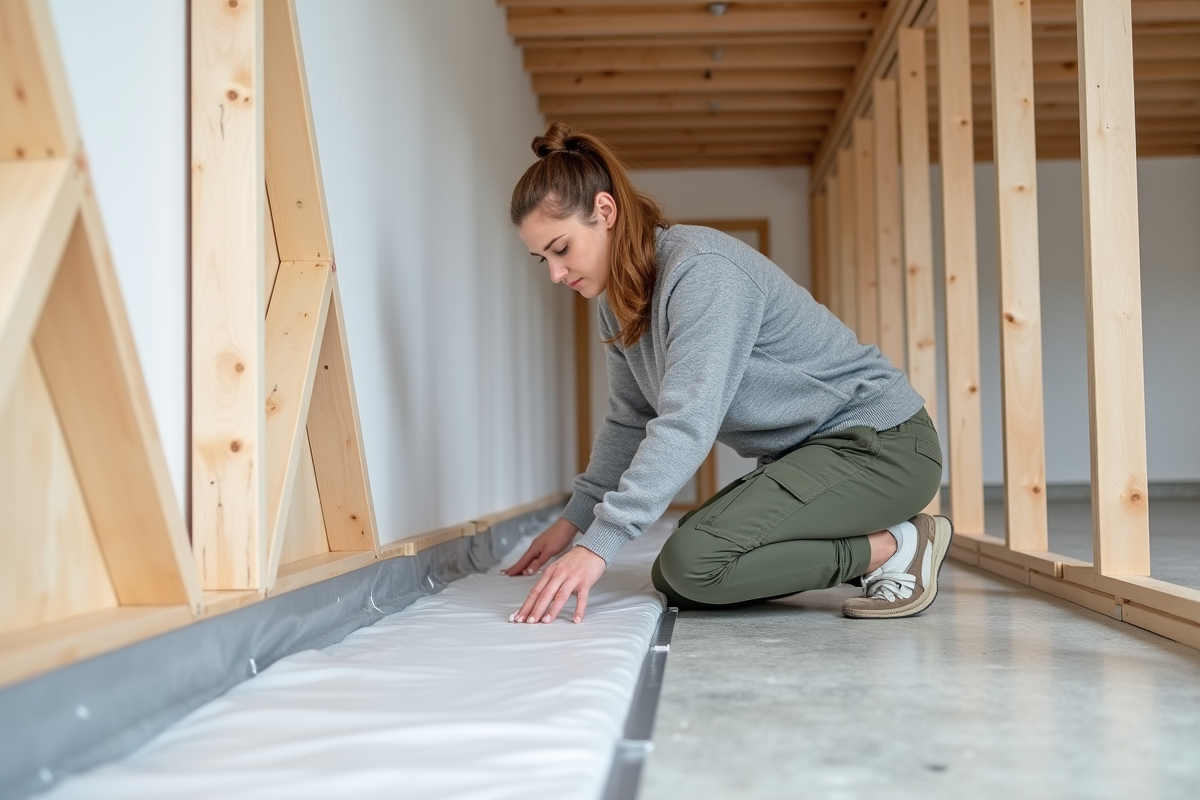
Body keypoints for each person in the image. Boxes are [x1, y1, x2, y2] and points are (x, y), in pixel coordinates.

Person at [503, 122, 952, 625]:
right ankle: (877, 545)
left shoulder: (701, 271)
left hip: (881, 446)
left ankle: (897, 545)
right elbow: (629, 420)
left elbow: (686, 422)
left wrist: (600, 545)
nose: (555, 274)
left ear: (605, 212)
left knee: (694, 563)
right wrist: (574, 522)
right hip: (807, 459)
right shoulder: (618, 303)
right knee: (680, 577)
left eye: (560, 249)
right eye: (542, 258)